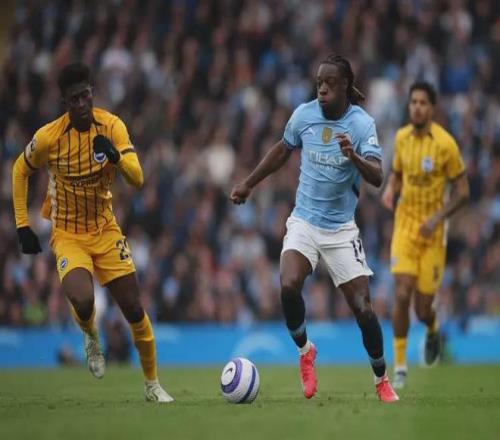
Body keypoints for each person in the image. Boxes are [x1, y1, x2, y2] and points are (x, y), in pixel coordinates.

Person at [231, 54, 399, 403]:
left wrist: (354, 157)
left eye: (329, 83)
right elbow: (282, 150)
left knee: (364, 309)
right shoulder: (304, 115)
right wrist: (249, 183)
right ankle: (305, 351)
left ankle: (381, 379)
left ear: (345, 87)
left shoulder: (361, 124)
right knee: (288, 285)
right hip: (305, 222)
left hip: (341, 231)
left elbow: (377, 176)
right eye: (319, 82)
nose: (322, 88)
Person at [12, 62, 173, 403]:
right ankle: (90, 336)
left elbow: (137, 178)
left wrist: (115, 156)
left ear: (92, 93)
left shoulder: (112, 126)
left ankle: (153, 385)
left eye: (85, 95)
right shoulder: (49, 137)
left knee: (134, 308)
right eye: (74, 99)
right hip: (68, 234)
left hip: (105, 229)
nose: (82, 103)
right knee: (84, 301)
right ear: (65, 102)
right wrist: (22, 224)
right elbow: (19, 169)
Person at [381, 81, 470, 389]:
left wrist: (438, 218)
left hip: (433, 233)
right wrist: (390, 189)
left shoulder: (446, 145)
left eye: (422, 102)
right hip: (405, 227)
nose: (417, 107)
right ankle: (400, 368)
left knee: (421, 309)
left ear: (432, 108)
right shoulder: (401, 138)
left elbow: (463, 192)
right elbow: (397, 173)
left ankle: (432, 328)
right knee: (401, 292)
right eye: (413, 102)